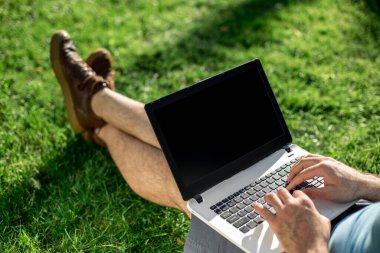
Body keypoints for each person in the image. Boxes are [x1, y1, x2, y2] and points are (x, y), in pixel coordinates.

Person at [50, 30, 380, 253]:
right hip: (354, 205)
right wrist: (364, 184)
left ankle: (96, 111)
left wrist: (309, 244)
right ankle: (94, 107)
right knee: (211, 151)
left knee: (191, 187)